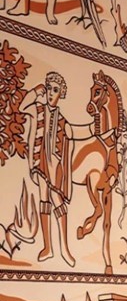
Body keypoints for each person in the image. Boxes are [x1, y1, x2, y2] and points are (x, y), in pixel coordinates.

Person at [20, 72, 91, 267]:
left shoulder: (62, 121)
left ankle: (64, 249)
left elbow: (77, 132)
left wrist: (97, 125)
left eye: (56, 90)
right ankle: (48, 247)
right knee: (44, 197)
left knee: (57, 201)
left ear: (61, 93)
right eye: (49, 88)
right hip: (39, 162)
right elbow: (22, 106)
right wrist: (35, 91)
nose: (51, 93)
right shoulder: (37, 109)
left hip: (55, 168)